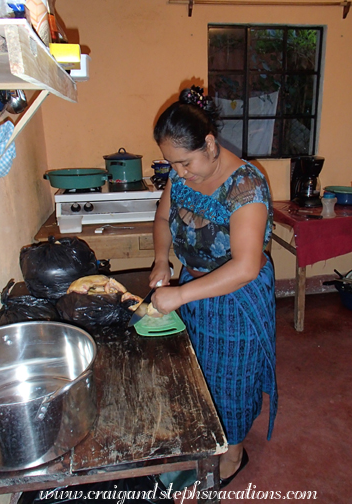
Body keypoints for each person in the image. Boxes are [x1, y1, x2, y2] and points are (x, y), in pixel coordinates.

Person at [149, 85, 278, 488]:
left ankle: (233, 456)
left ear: (209, 143)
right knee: (199, 374)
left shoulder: (246, 186)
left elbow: (245, 266)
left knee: (232, 379)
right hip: (194, 291)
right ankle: (208, 443)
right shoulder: (182, 176)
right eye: (172, 164)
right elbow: (161, 220)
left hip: (237, 298)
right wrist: (160, 260)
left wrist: (181, 294)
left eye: (185, 162)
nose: (179, 173)